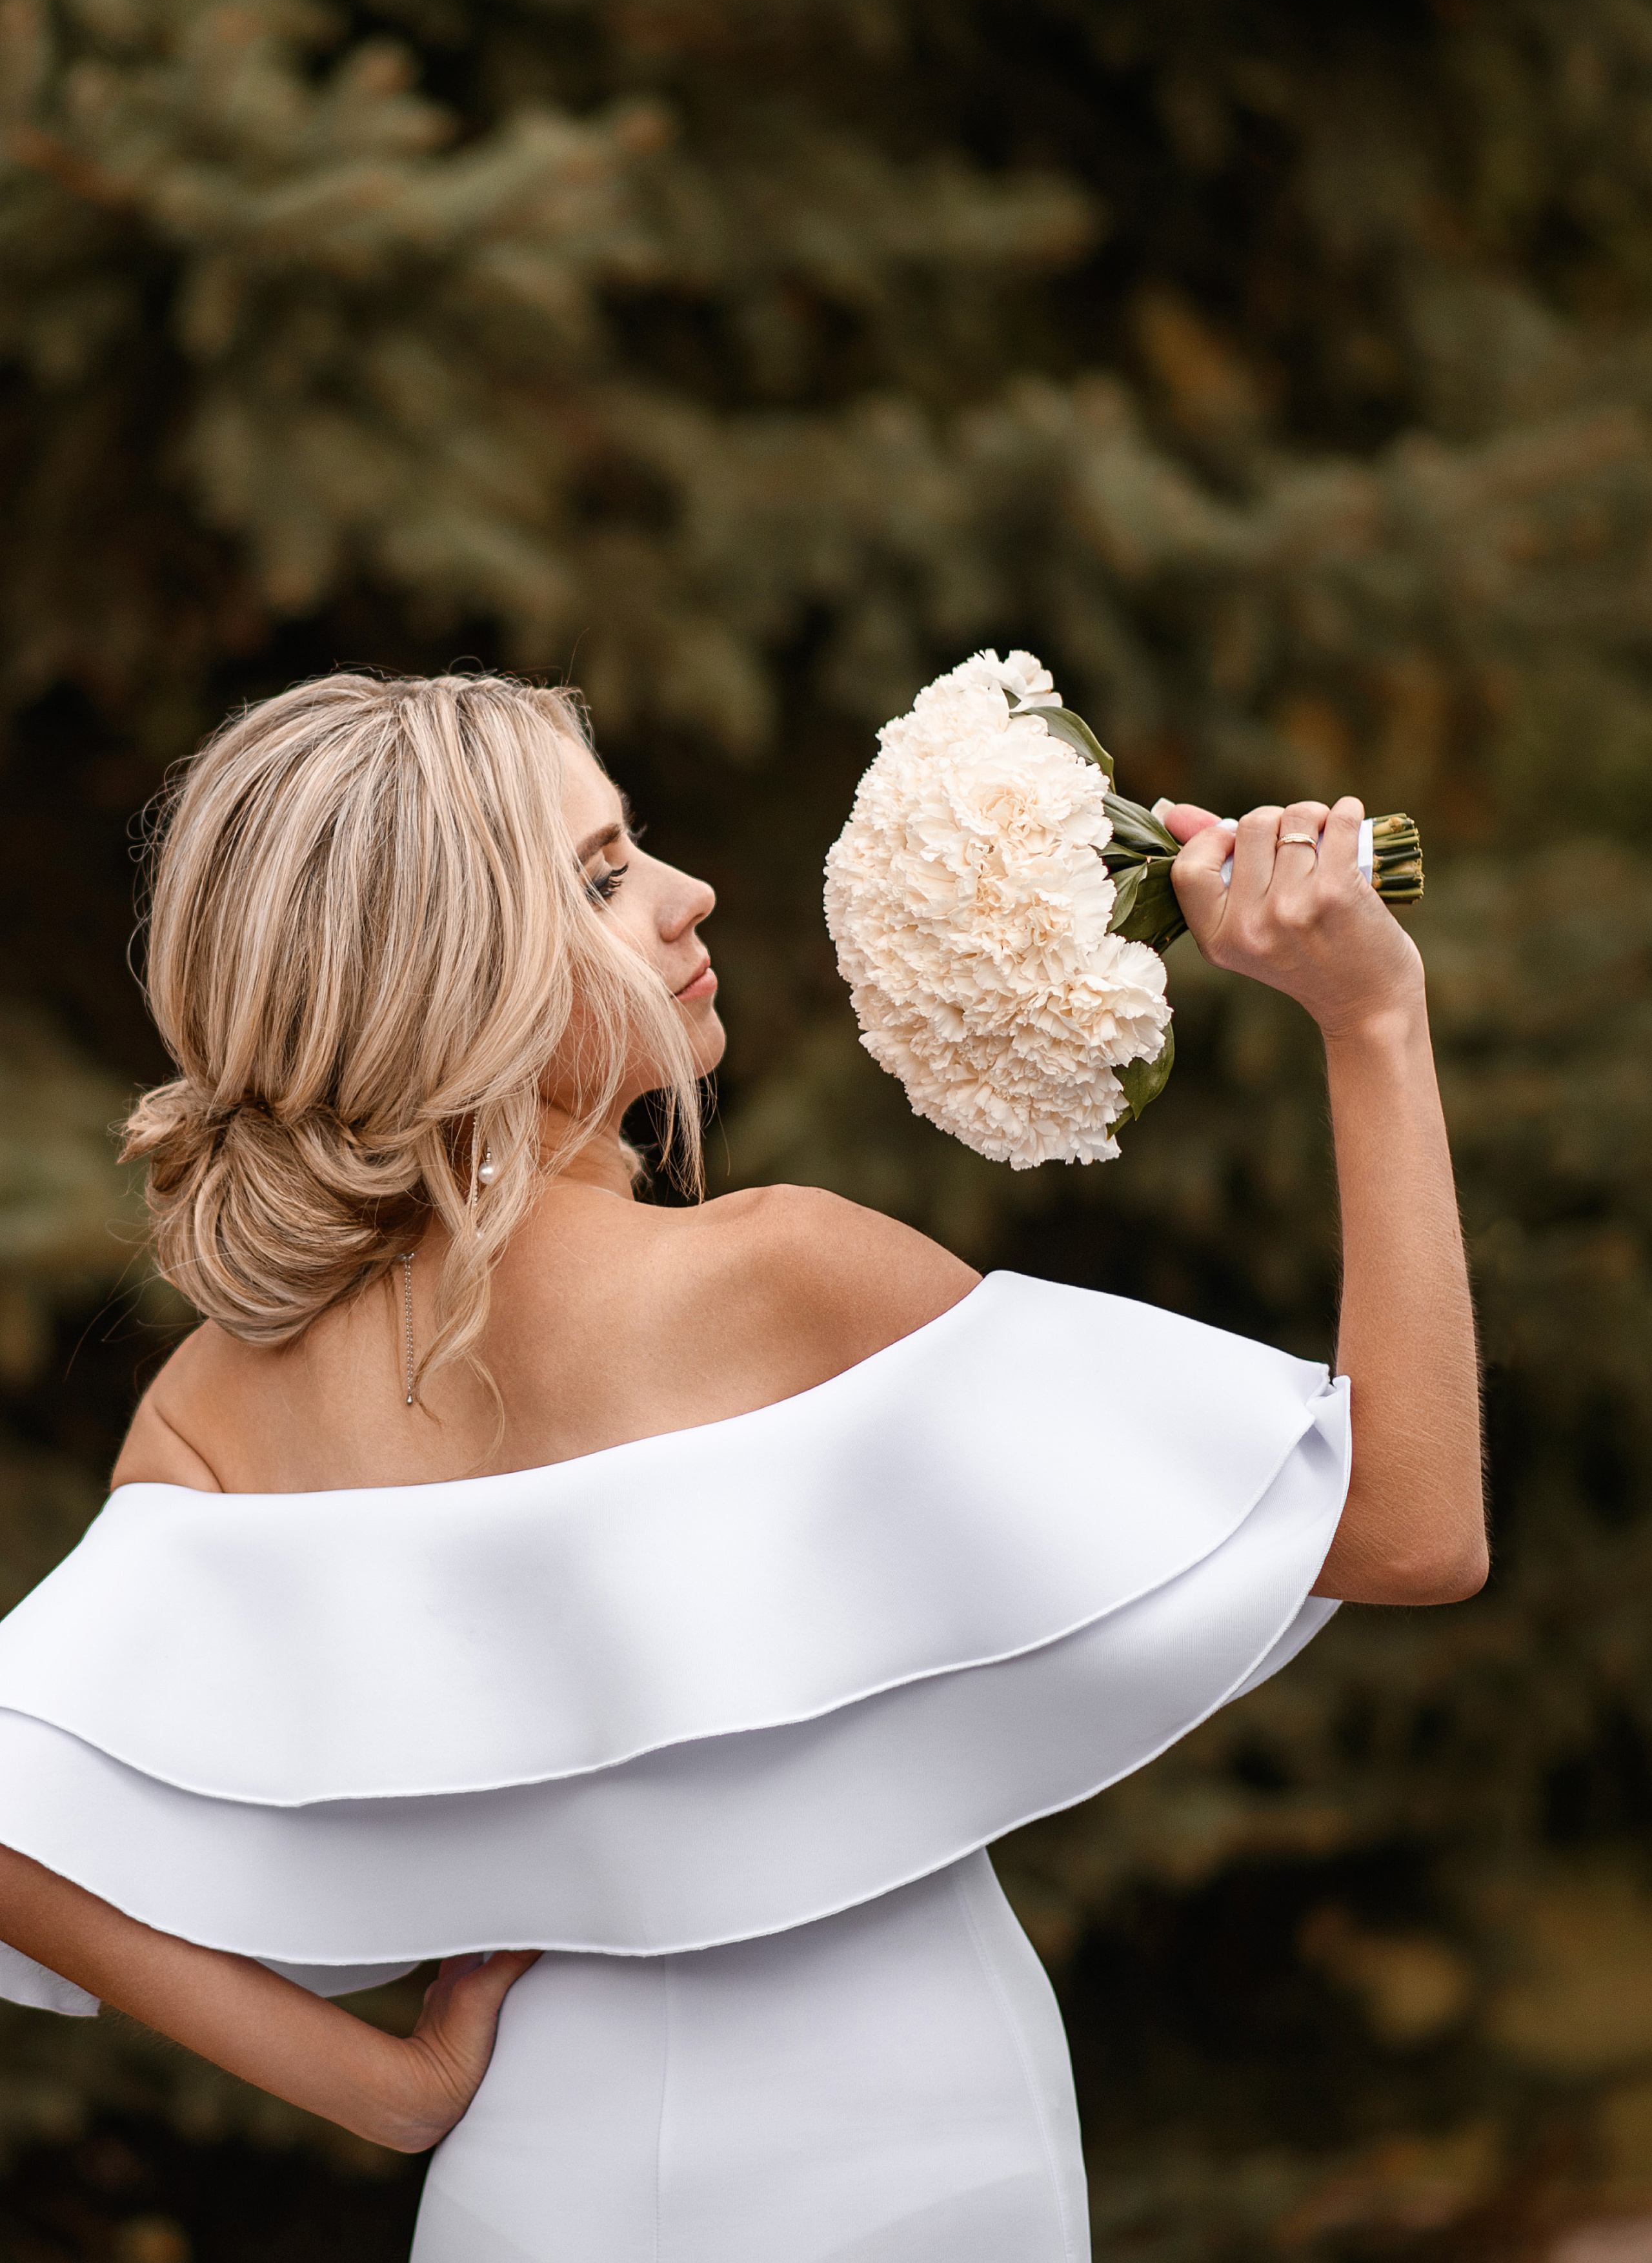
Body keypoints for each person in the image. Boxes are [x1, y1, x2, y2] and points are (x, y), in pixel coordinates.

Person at [0, 671, 1485, 2262]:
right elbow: (1409, 1528)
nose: (688, 892)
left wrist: (387, 2094)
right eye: (598, 875)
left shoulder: (215, 1402)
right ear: (449, 975)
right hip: (916, 2146)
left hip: (528, 2184)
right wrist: (1371, 1024)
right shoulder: (789, 1272)